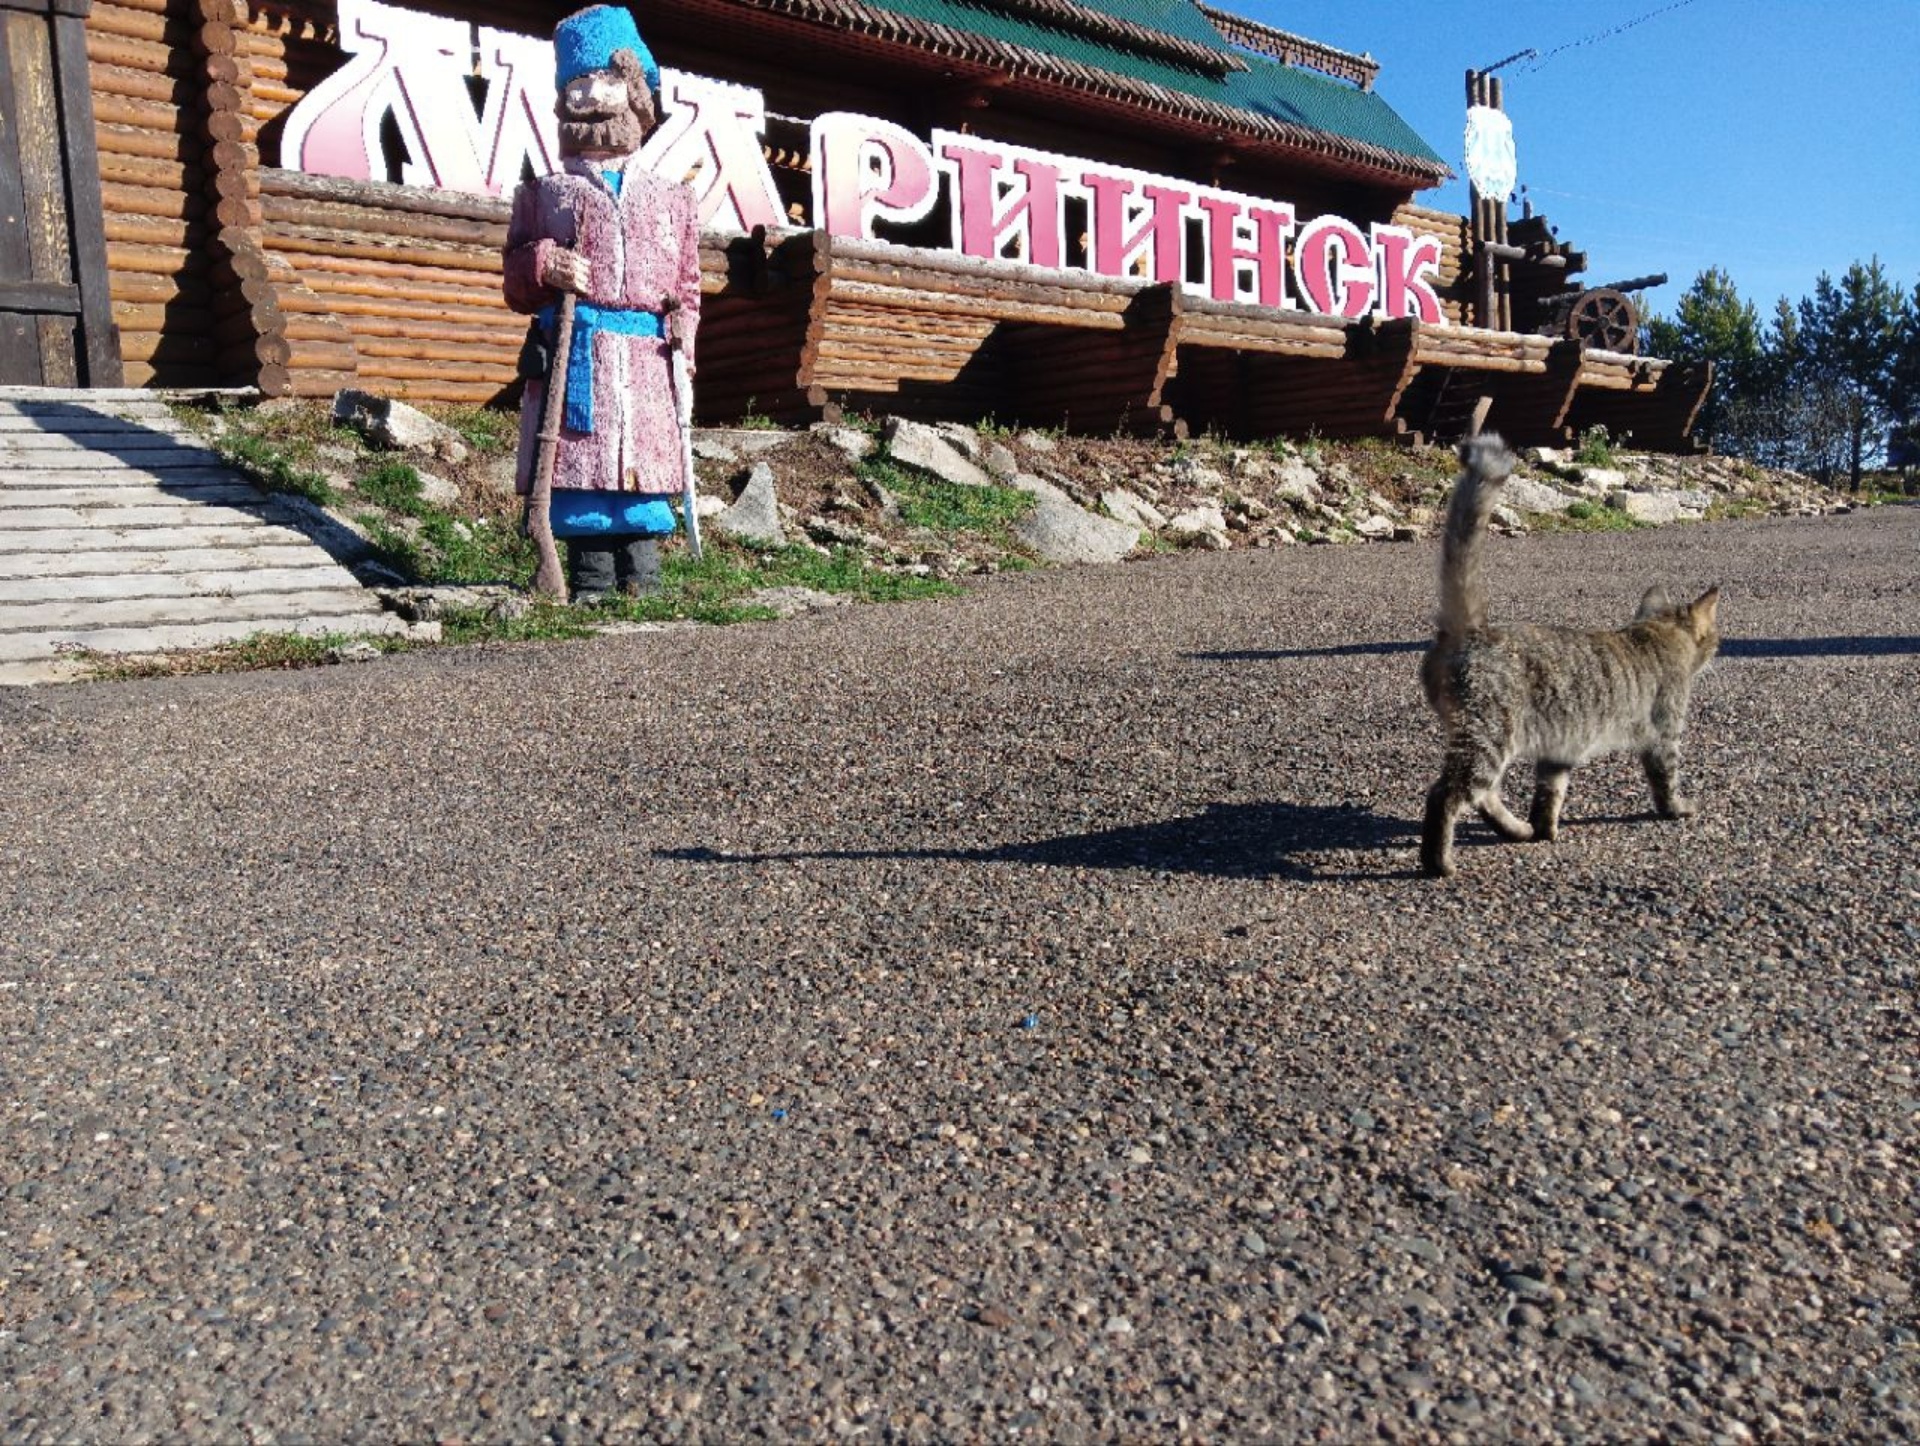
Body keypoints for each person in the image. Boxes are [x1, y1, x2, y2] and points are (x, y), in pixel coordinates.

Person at [503, 4, 701, 602]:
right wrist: (544, 264)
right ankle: (588, 578)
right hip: (575, 351)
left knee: (644, 466)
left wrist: (686, 335)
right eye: (576, 84)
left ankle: (643, 576)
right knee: (581, 467)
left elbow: (686, 283)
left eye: (606, 80)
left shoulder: (673, 199)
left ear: (636, 88)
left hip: (647, 356)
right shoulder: (542, 192)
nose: (590, 95)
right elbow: (514, 277)